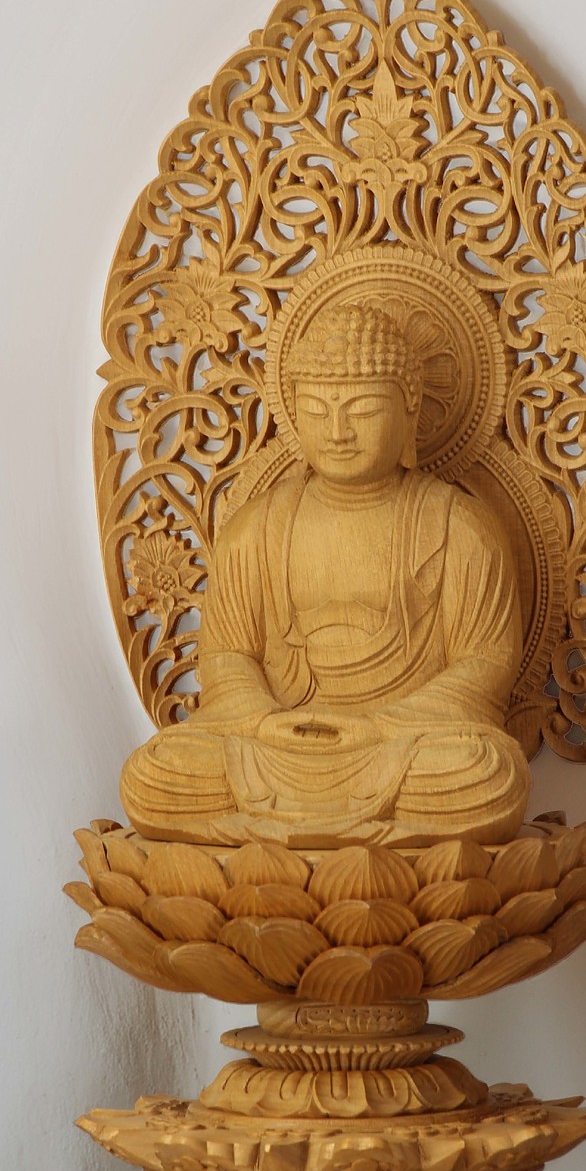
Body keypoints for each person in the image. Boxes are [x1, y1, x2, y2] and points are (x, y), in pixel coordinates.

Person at [121, 304, 531, 847]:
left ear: (409, 410)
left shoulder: (459, 527)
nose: (338, 432)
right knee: (155, 772)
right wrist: (263, 721)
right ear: (294, 414)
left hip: (400, 748)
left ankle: (276, 832)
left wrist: (381, 726)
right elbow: (227, 656)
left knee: (487, 771)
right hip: (272, 747)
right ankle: (343, 831)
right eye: (316, 410)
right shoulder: (256, 528)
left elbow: (487, 663)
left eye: (363, 410)